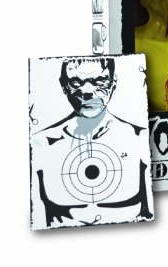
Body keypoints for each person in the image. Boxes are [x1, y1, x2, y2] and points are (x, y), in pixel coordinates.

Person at [31, 57, 153, 229]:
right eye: (76, 82)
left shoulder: (139, 138)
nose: (87, 91)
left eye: (99, 81)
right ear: (63, 85)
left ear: (113, 82)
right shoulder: (41, 145)